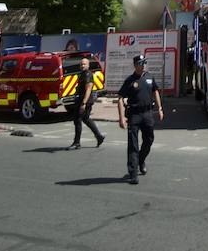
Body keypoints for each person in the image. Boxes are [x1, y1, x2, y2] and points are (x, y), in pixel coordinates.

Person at [116, 53, 163, 184]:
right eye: (141, 64)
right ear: (135, 65)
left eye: (144, 63)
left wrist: (159, 108)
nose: (143, 66)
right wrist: (121, 118)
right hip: (134, 115)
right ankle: (133, 173)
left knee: (149, 140)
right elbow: (120, 98)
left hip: (147, 113)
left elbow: (156, 91)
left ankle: (141, 160)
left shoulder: (149, 77)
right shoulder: (130, 80)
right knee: (133, 145)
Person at [68, 55, 105, 150]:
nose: (82, 66)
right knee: (86, 119)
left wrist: (83, 103)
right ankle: (99, 136)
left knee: (77, 120)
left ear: (88, 65)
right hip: (82, 100)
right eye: (81, 64)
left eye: (84, 64)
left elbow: (88, 89)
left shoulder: (88, 74)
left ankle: (77, 143)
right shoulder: (82, 74)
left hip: (85, 101)